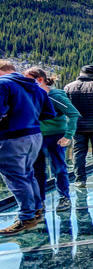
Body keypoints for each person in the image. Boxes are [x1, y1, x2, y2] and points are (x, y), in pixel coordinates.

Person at [0, 61, 56, 236]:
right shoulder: (36, 86)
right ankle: (37, 208)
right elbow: (49, 113)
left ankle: (26, 218)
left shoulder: (3, 85)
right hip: (35, 136)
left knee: (16, 177)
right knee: (28, 173)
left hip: (12, 137)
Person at [27, 68, 81, 212]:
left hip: (55, 136)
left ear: (40, 80)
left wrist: (68, 136)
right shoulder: (33, 94)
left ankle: (64, 198)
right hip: (37, 137)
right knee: (37, 170)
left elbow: (74, 114)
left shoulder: (55, 96)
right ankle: (40, 202)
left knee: (59, 168)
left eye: (28, 79)